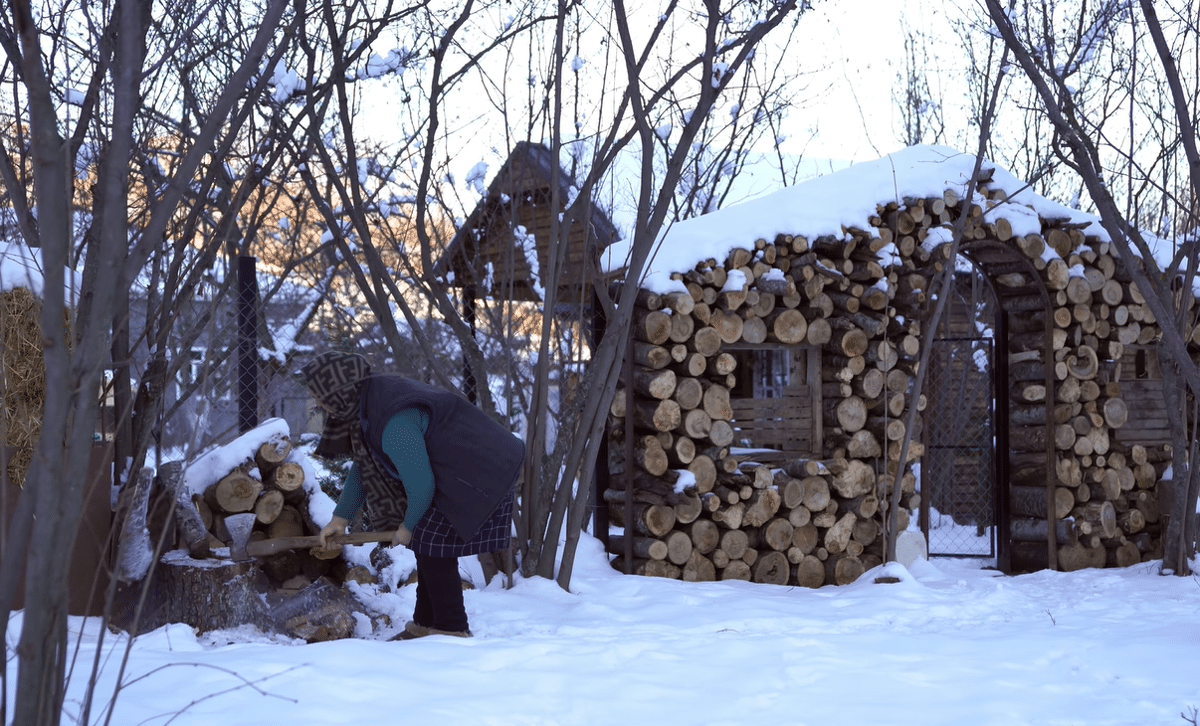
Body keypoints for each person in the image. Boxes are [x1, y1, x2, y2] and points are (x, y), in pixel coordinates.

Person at [298, 351, 524, 639]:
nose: (317, 403)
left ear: (339, 392)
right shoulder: (368, 401)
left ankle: (452, 629)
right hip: (457, 465)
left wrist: (407, 527)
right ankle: (424, 625)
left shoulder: (393, 423)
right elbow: (364, 464)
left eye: (320, 396)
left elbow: (421, 487)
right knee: (428, 543)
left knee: (434, 544)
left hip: (483, 469)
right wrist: (339, 519)